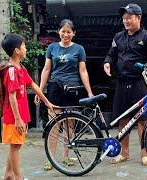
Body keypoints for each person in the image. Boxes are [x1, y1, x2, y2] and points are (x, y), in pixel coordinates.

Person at [103, 4, 147, 166]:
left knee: (143, 120)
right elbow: (111, 54)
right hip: (121, 83)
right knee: (123, 120)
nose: (126, 20)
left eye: (129, 17)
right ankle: (124, 153)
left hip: (139, 83)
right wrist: (107, 63)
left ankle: (145, 154)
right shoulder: (118, 37)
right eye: (124, 18)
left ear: (139, 18)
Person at [34, 19, 93, 171]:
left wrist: (89, 92)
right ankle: (51, 158)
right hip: (55, 88)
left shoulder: (79, 49)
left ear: (73, 33)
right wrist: (40, 91)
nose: (65, 34)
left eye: (69, 32)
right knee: (54, 122)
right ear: (59, 32)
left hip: (72, 88)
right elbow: (46, 70)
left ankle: (66, 157)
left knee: (69, 123)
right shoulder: (52, 48)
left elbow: (83, 71)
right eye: (63, 31)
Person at [1, 33, 57, 180]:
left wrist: (46, 101)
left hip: (21, 114)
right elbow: (11, 96)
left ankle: (8, 174)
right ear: (16, 51)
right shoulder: (11, 71)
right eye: (24, 46)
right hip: (14, 116)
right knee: (15, 146)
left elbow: (32, 84)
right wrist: (18, 119)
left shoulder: (21, 68)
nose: (25, 48)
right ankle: (17, 177)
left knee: (15, 145)